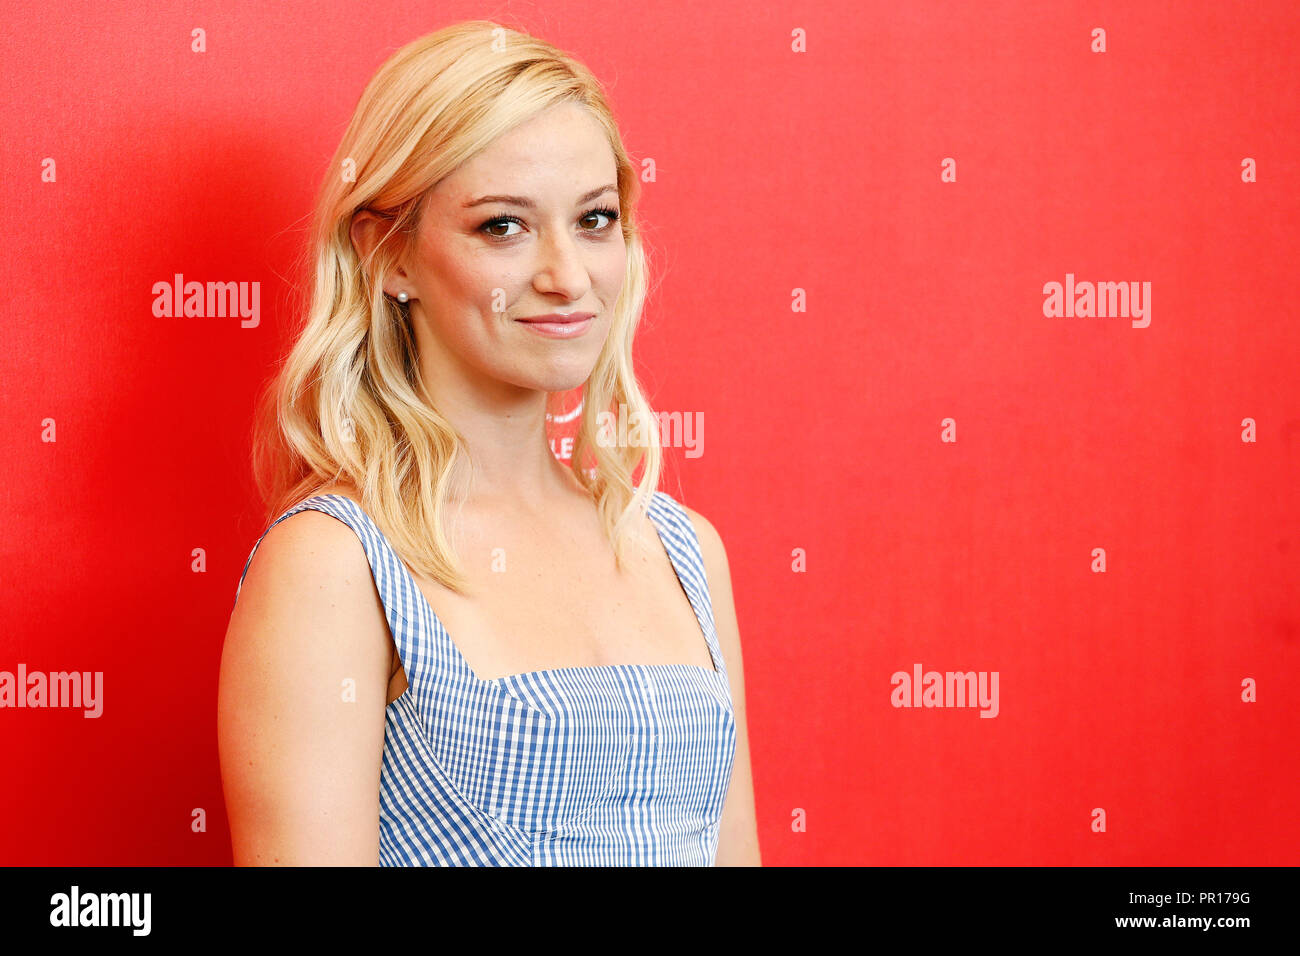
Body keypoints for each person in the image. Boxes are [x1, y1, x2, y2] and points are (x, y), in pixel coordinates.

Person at [218, 20, 759, 866]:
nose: (567, 276)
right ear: (387, 256)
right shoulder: (336, 564)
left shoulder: (685, 551)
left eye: (594, 219)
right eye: (503, 226)